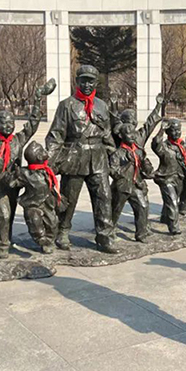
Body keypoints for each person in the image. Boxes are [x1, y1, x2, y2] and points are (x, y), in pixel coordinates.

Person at [46, 64, 117, 253]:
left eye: (91, 81)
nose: (87, 84)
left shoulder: (102, 106)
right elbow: (56, 135)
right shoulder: (66, 105)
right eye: (83, 80)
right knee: (69, 198)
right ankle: (62, 232)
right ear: (77, 81)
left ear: (96, 82)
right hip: (75, 157)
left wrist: (113, 156)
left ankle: (104, 236)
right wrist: (50, 163)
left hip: (98, 157)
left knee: (104, 196)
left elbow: (108, 134)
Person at [0, 80, 54, 258]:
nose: (8, 125)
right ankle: (3, 245)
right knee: (3, 215)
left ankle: (5, 239)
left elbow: (32, 125)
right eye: (4, 123)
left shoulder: (17, 141)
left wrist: (38, 99)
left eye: (11, 122)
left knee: (9, 215)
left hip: (13, 185)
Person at [7, 142, 60, 255]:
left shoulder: (47, 169)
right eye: (42, 151)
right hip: (32, 205)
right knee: (35, 225)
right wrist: (14, 175)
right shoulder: (25, 173)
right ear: (38, 156)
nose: (45, 152)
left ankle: (49, 241)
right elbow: (12, 184)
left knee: (53, 223)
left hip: (47, 203)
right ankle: (41, 240)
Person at [151, 119, 186, 235]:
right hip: (166, 178)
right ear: (168, 132)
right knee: (172, 202)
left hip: (179, 177)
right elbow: (156, 143)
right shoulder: (164, 146)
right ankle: (174, 227)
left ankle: (164, 217)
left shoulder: (182, 145)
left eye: (178, 130)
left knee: (173, 199)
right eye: (174, 130)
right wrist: (161, 129)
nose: (177, 133)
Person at [109, 123, 155, 242]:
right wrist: (127, 164)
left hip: (135, 185)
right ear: (121, 136)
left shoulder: (138, 151)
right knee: (115, 210)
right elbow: (113, 172)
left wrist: (147, 167)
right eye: (129, 134)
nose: (132, 136)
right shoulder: (117, 154)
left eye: (134, 133)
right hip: (122, 187)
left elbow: (146, 168)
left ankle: (141, 233)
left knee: (142, 206)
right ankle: (109, 231)